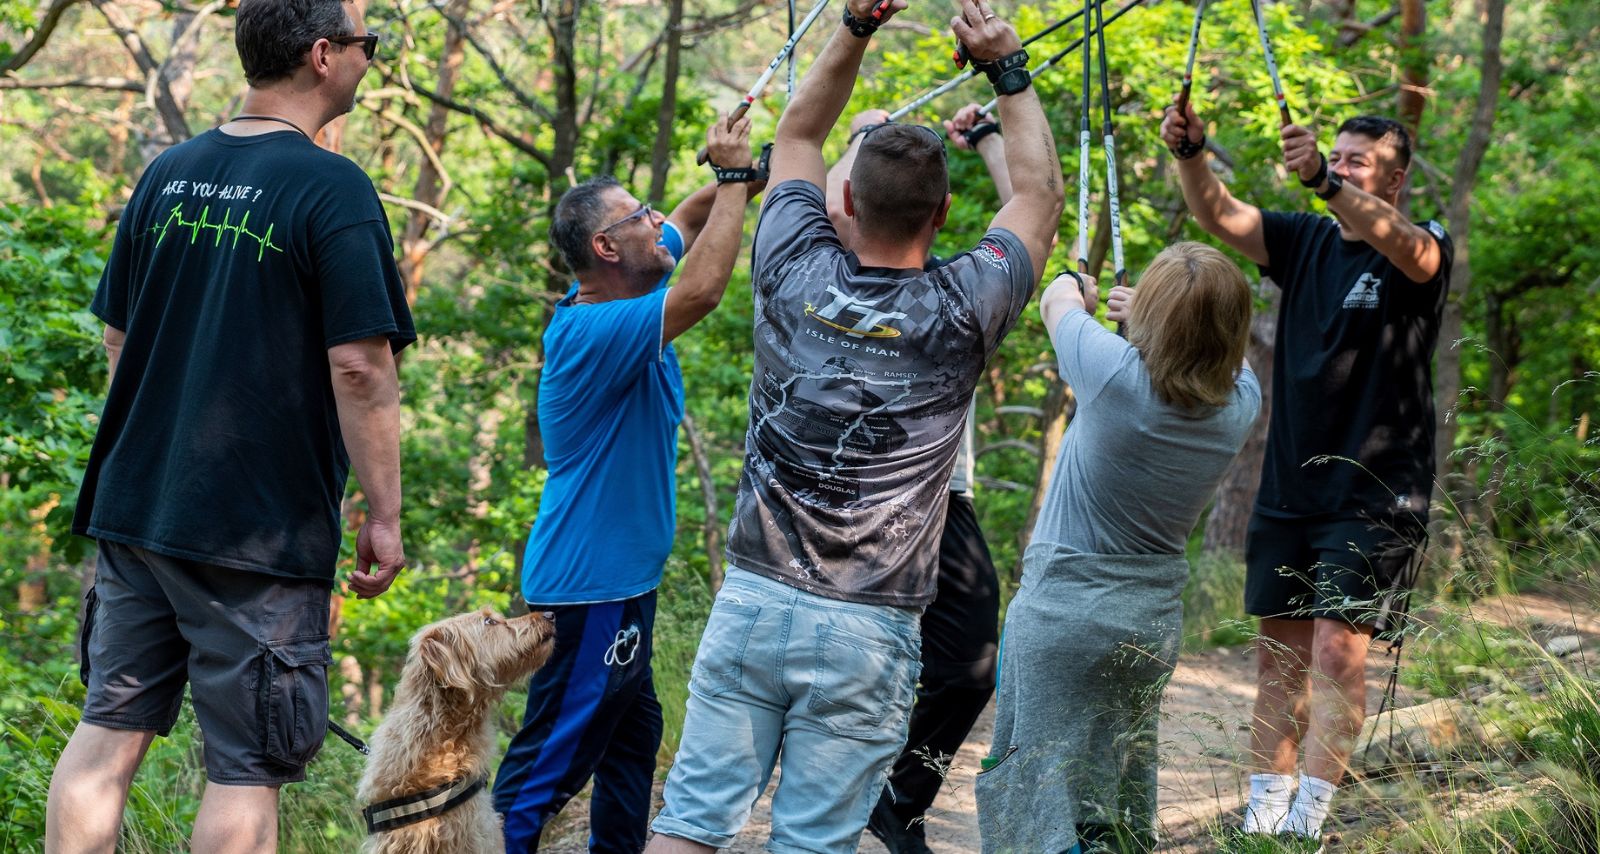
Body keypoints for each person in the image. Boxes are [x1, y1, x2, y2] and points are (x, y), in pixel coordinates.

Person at [646, 0, 1063, 850]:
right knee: (812, 843)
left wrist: (855, 24)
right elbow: (1040, 194)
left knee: (689, 825)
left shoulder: (791, 261)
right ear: (943, 218)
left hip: (754, 597)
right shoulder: (962, 305)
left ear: (847, 202)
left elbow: (798, 137)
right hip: (870, 628)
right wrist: (1006, 66)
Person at [44, 1, 413, 851]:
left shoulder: (170, 171)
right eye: (369, 43)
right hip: (255, 531)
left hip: (137, 506)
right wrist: (383, 517)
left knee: (107, 734)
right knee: (246, 766)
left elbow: (116, 337)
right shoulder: (333, 187)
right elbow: (360, 367)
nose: (371, 58)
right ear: (323, 55)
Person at [1161, 98, 1451, 851]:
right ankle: (1263, 820)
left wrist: (1325, 178)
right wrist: (1191, 153)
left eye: (1361, 161)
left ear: (1395, 180)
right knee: (1277, 659)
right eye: (1341, 154)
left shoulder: (1418, 249)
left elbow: (1415, 253)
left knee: (1335, 652)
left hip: (1376, 491)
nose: (1346, 164)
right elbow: (1221, 216)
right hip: (1291, 488)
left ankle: (1308, 824)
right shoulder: (1303, 242)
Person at [490, 117, 760, 853]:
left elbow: (690, 219)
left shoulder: (626, 280)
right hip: (590, 594)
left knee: (631, 749)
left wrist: (741, 175)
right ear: (606, 249)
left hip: (623, 586)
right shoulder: (593, 330)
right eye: (639, 216)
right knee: (544, 772)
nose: (657, 222)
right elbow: (704, 290)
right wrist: (738, 182)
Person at [976, 245, 1261, 853]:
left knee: (1035, 793)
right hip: (1150, 626)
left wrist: (1074, 283)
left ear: (1156, 320)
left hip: (1063, 618)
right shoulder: (1242, 403)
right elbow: (1211, 352)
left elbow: (1055, 299)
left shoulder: (1111, 376)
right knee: (1116, 796)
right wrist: (1156, 320)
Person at [818, 103, 1010, 854]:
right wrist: (863, 135)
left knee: (969, 666)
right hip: (846, 498)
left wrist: (988, 134)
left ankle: (900, 800)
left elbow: (1032, 216)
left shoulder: (956, 292)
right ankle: (831, 812)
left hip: (940, 498)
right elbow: (836, 202)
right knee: (851, 674)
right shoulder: (831, 273)